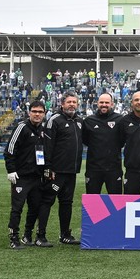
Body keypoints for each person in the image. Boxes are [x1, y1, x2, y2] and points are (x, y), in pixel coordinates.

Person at [38, 92, 84, 245]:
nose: (72, 104)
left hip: (72, 171)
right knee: (47, 200)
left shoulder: (79, 121)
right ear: (62, 104)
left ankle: (65, 234)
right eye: (69, 102)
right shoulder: (54, 120)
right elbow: (47, 146)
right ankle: (40, 235)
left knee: (67, 202)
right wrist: (48, 167)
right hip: (56, 171)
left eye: (74, 102)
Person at [4, 100, 48, 249]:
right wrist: (11, 170)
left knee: (35, 207)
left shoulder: (43, 130)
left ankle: (27, 235)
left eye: (40, 112)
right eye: (34, 111)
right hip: (21, 177)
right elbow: (10, 150)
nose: (37, 114)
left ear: (44, 114)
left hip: (37, 177)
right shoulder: (21, 127)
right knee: (17, 208)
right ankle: (13, 237)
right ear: (29, 112)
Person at [82, 93, 123, 194]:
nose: (104, 104)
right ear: (97, 103)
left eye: (107, 102)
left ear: (112, 104)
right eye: (101, 102)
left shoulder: (120, 120)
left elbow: (123, 140)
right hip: (93, 169)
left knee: (116, 203)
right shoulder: (88, 121)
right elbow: (85, 140)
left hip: (114, 169)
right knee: (92, 202)